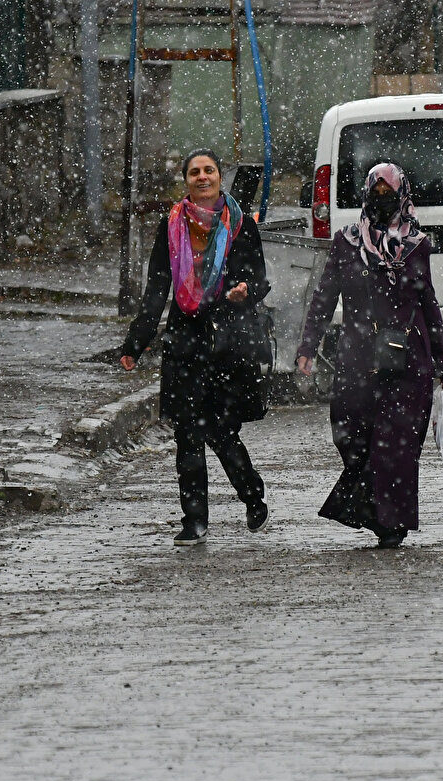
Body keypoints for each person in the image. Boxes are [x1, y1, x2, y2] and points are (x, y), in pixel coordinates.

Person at [296, 162, 443, 549]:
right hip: (357, 359)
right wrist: (308, 346)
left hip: (407, 362)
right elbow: (323, 297)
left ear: (402, 194)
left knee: (397, 445)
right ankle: (370, 508)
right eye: (376, 190)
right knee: (350, 433)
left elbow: (428, 304)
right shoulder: (346, 242)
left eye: (389, 191)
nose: (382, 198)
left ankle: (391, 524)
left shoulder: (417, 244)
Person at [120, 148, 272, 546]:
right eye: (194, 172)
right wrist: (136, 343)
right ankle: (195, 520)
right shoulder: (171, 226)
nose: (202, 177)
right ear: (186, 180)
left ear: (220, 177)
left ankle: (252, 493)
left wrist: (244, 292)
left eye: (209, 171)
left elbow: (260, 280)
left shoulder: (241, 226)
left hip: (228, 340)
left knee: (221, 432)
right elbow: (157, 289)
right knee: (187, 434)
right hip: (185, 341)